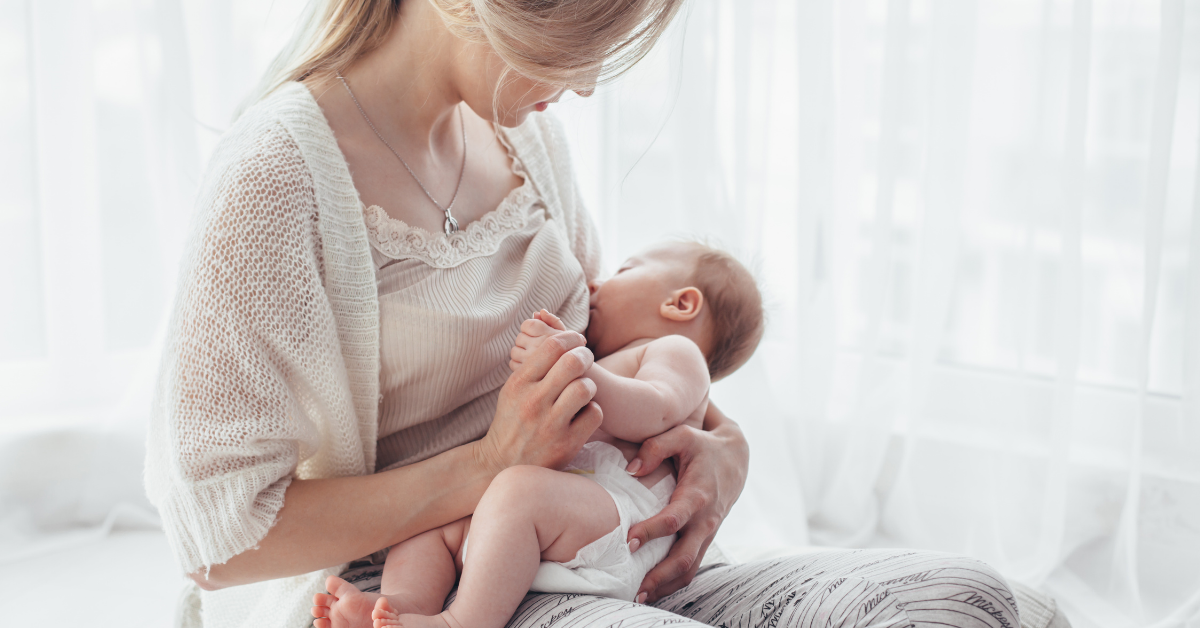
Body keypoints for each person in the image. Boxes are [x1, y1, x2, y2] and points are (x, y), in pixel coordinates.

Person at [145, 0, 1022, 626]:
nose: (589, 84)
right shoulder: (276, 182)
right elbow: (220, 545)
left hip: (595, 550)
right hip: (418, 588)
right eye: (580, 40)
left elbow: (621, 346)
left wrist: (722, 447)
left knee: (967, 598)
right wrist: (488, 468)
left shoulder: (522, 133)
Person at [310, 241, 763, 628]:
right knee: (429, 523)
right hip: (564, 521)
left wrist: (577, 367)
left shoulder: (677, 353)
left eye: (624, 270)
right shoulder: (618, 358)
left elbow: (654, 409)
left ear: (681, 303)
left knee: (517, 491)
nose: (594, 285)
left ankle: (461, 621)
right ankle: (405, 605)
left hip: (625, 523)